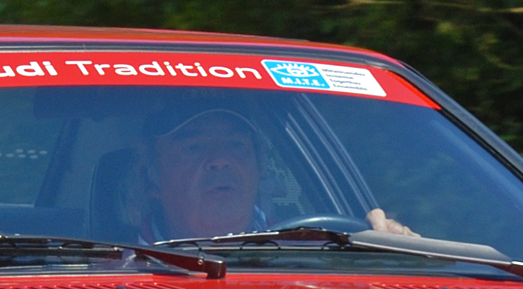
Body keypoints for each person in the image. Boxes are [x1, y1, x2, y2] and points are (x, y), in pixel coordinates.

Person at [139, 103, 416, 241]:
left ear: (260, 171)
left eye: (236, 145)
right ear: (153, 177)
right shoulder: (108, 265)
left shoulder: (317, 252)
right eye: (194, 147)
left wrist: (393, 249)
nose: (219, 160)